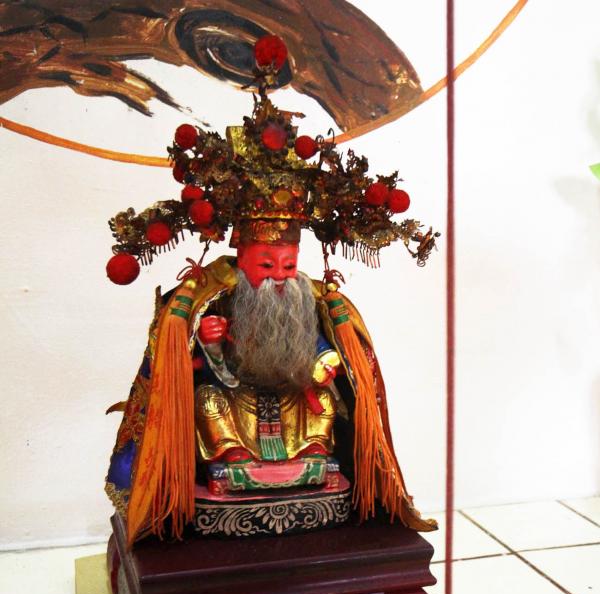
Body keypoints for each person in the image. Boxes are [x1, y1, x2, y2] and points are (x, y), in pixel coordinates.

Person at [104, 34, 438, 545]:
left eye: (288, 264)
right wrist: (207, 343)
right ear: (239, 255)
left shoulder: (312, 299)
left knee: (319, 405)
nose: (279, 274)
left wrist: (324, 366)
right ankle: (232, 459)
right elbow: (186, 372)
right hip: (236, 401)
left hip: (293, 399)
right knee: (209, 404)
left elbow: (332, 355)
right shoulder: (213, 294)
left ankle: (313, 458)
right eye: (265, 264)